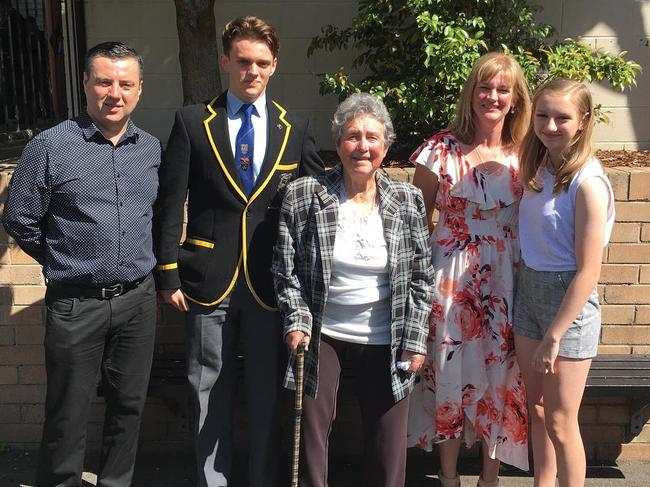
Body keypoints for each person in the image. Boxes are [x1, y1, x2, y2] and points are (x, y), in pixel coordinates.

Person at [152, 15, 323, 487]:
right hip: (207, 280)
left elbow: (319, 200)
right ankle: (214, 481)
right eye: (243, 61)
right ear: (226, 61)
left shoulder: (296, 127)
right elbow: (170, 203)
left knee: (268, 393)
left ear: (274, 66)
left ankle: (264, 479)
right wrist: (167, 273)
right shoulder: (192, 122)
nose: (252, 71)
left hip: (272, 285)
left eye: (262, 63)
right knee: (207, 389)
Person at [2, 42, 160, 487]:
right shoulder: (50, 147)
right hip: (75, 305)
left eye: (126, 83)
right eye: (105, 81)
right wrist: (64, 259)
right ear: (86, 84)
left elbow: (159, 214)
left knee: (128, 407)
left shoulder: (150, 149)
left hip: (137, 302)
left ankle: (115, 482)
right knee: (67, 412)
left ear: (139, 89)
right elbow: (19, 217)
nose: (115, 93)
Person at [272, 92, 433, 487]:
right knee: (309, 436)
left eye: (372, 137)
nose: (363, 146)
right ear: (338, 142)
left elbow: (421, 277)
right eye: (352, 136)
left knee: (387, 445)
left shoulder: (407, 200)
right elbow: (285, 269)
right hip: (321, 331)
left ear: (386, 145)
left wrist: (415, 340)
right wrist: (297, 320)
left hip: (387, 334)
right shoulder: (305, 195)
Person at [407, 52, 532, 486]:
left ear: (516, 98)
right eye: (484, 87)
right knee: (448, 370)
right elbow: (415, 219)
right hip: (450, 278)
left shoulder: (528, 152)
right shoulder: (440, 150)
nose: (492, 97)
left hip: (506, 280)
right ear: (471, 92)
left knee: (501, 373)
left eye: (502, 89)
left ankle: (490, 476)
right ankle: (448, 476)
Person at [513, 78, 614, 487]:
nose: (550, 125)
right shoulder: (539, 168)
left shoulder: (588, 183)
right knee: (536, 409)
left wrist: (555, 334)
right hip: (530, 294)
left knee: (560, 418)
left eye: (562, 117)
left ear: (584, 120)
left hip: (567, 305)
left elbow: (589, 270)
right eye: (543, 115)